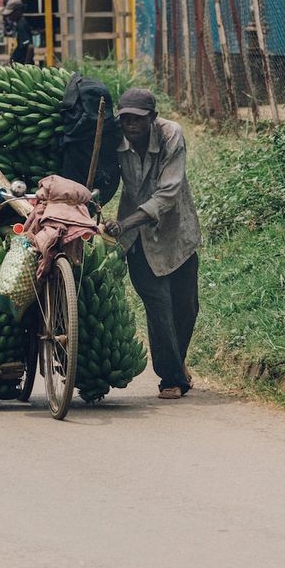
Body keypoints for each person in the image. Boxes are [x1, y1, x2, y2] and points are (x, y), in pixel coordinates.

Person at [103, 88, 202, 401]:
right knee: (158, 307)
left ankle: (177, 361)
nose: (131, 125)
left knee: (186, 307)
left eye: (139, 120)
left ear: (153, 119)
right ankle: (170, 378)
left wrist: (125, 223)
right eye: (126, 119)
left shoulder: (172, 135)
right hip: (137, 240)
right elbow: (104, 178)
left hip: (177, 232)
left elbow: (169, 193)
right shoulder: (114, 140)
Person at [3, 0, 34, 65]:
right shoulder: (18, 24)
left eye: (11, 14)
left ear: (18, 11)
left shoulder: (21, 25)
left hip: (23, 66)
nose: (9, 17)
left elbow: (30, 47)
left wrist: (26, 66)